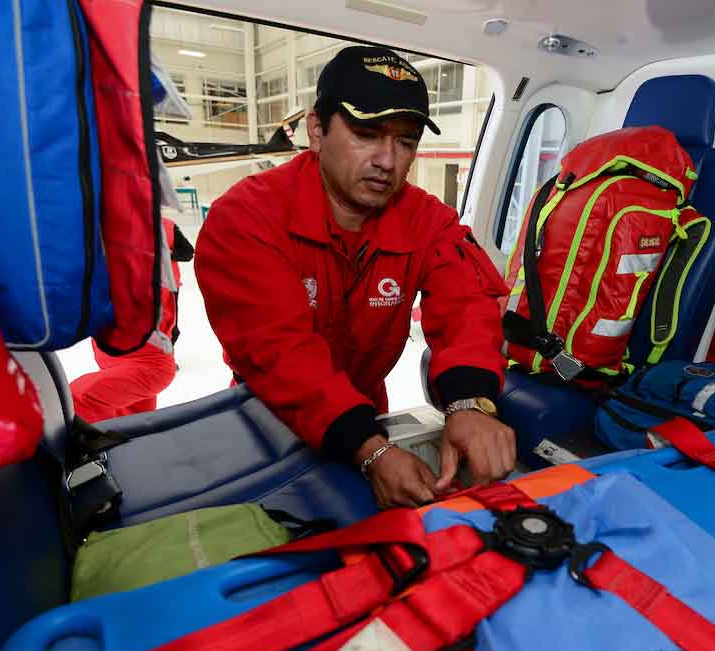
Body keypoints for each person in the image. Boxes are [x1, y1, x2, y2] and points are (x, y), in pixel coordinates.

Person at [195, 46, 515, 509]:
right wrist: (370, 449)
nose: (388, 160)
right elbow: (280, 354)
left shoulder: (429, 221)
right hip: (268, 414)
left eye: (405, 141)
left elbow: (468, 306)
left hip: (367, 407)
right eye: (367, 133)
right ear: (316, 129)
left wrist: (468, 404)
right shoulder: (246, 218)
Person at [69, 219, 191, 422]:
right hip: (116, 357)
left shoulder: (158, 232)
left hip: (145, 358)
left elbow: (186, 252)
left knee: (75, 400)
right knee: (133, 425)